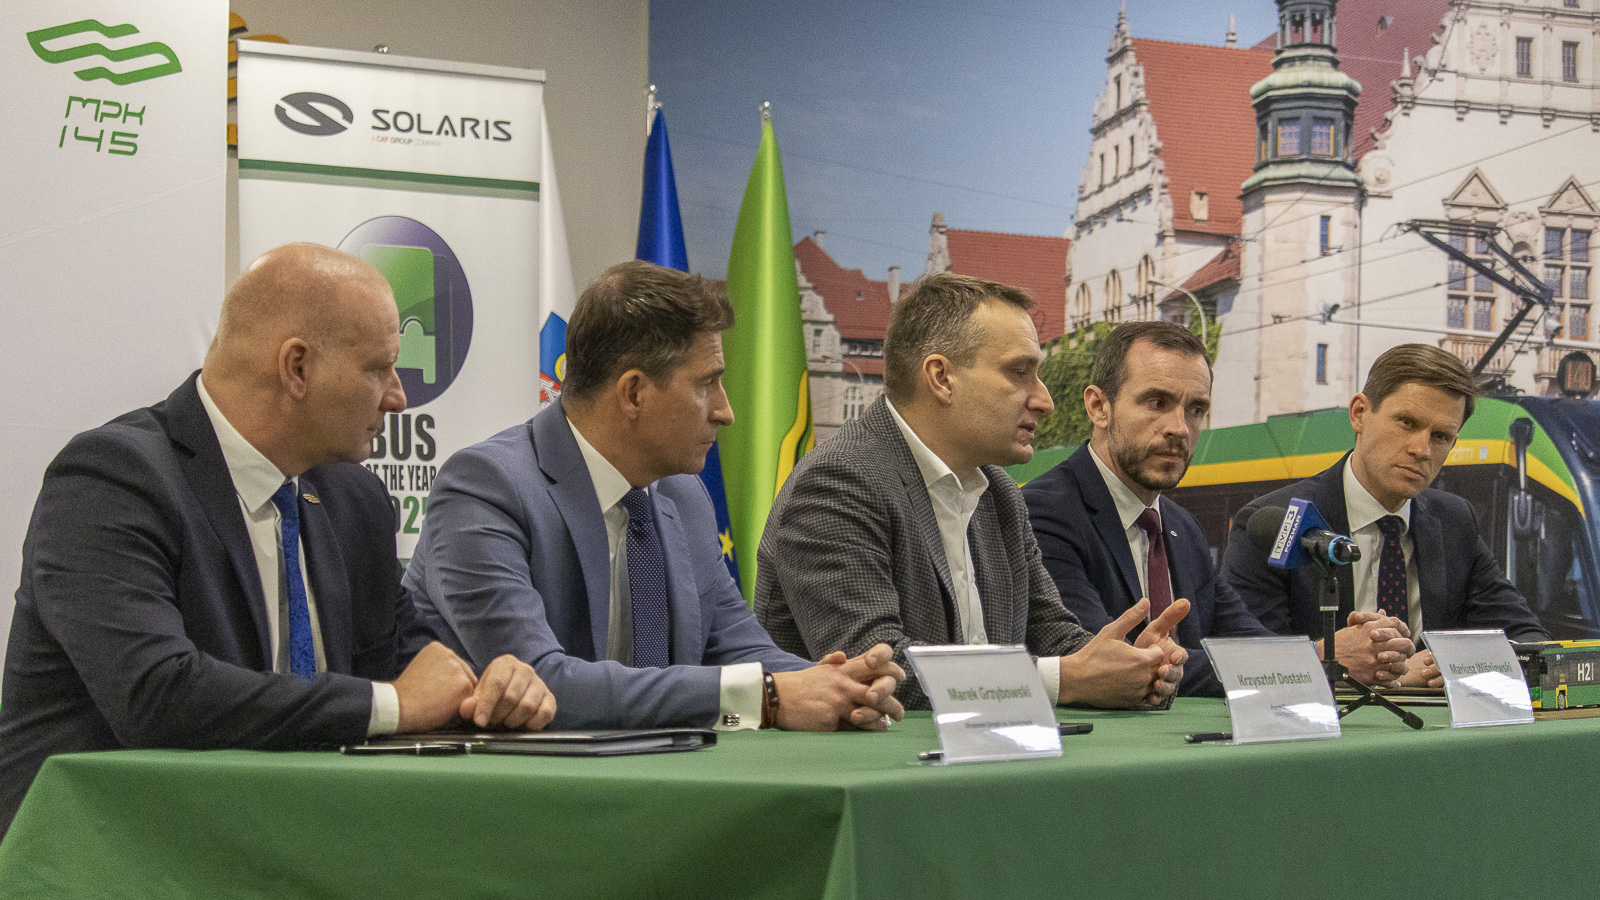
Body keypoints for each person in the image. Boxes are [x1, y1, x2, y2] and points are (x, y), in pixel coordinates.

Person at [0, 244, 553, 839]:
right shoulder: (111, 479)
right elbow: (155, 695)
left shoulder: (355, 500)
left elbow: (414, 664)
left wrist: (489, 691)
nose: (397, 396)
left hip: (290, 841)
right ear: (297, 368)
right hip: (114, 848)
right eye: (378, 368)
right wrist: (391, 705)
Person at [405, 260, 905, 732]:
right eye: (707, 384)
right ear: (633, 393)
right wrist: (764, 697)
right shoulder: (485, 488)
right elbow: (542, 684)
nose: (725, 412)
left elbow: (742, 651)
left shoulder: (683, 496)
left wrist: (840, 686)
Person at [755, 273, 1188, 710]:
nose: (1045, 401)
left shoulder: (999, 494)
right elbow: (876, 669)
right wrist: (1066, 679)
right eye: (1019, 372)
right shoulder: (838, 481)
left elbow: (1055, 638)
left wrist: (1133, 665)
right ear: (941, 377)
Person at [1222, 343, 1549, 687]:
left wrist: (1459, 662)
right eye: (1407, 423)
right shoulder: (1275, 523)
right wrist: (1338, 665)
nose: (1421, 450)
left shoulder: (1455, 521)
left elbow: (1531, 640)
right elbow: (1244, 661)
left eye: (1440, 436)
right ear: (1359, 413)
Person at [1021, 321, 1272, 697]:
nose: (1180, 428)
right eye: (1157, 403)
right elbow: (1101, 661)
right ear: (1098, 407)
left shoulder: (1183, 527)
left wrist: (1320, 658)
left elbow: (1249, 638)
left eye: (1196, 409)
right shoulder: (1044, 513)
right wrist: (1294, 665)